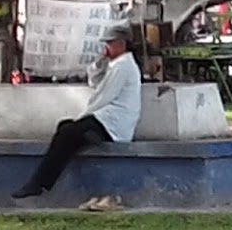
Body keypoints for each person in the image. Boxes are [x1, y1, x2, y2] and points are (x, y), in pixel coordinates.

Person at [12, 24, 142, 199]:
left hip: (113, 123)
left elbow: (104, 95)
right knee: (65, 128)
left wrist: (83, 117)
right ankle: (42, 179)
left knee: (68, 132)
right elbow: (95, 81)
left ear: (121, 44)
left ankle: (38, 183)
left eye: (110, 44)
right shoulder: (116, 64)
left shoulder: (123, 66)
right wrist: (99, 62)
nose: (107, 48)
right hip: (105, 119)